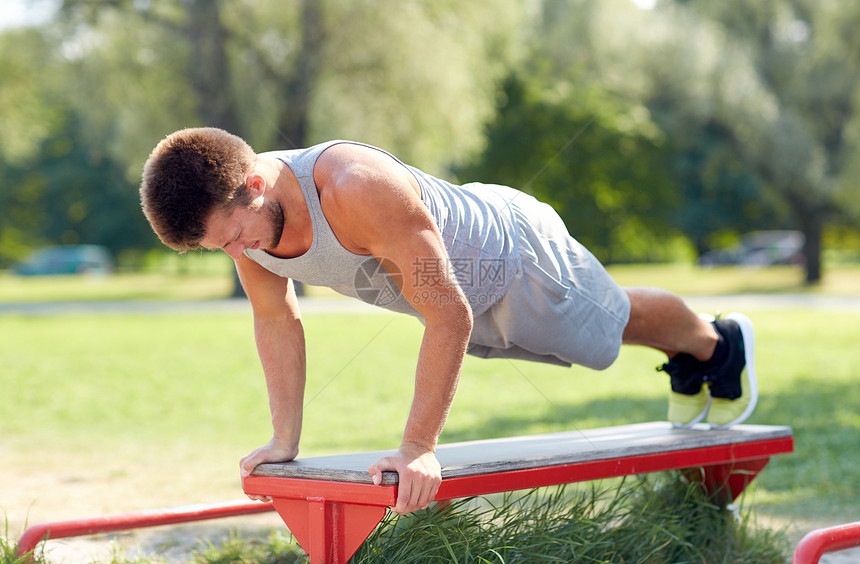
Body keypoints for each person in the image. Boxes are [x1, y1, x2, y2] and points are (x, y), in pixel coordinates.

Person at [139, 127, 758, 515]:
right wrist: (285, 440)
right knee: (599, 332)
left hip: (516, 260)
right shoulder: (248, 230)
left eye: (235, 235)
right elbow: (277, 320)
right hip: (456, 300)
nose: (238, 253)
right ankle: (696, 350)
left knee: (607, 328)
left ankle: (715, 345)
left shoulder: (355, 187)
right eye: (220, 247)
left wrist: (417, 450)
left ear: (254, 183)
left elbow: (448, 313)